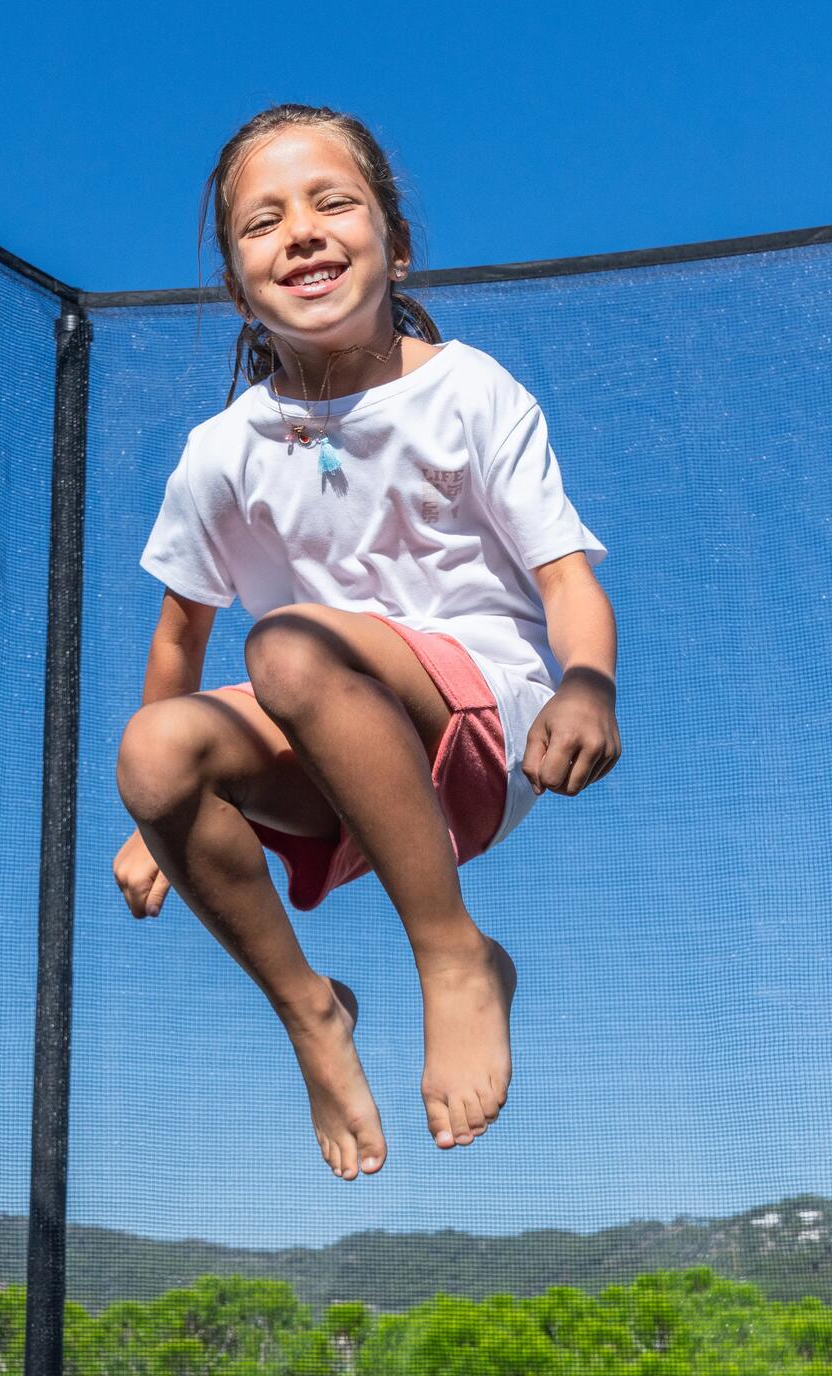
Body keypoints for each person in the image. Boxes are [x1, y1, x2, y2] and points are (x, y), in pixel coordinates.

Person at [112, 104, 620, 1182]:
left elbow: (566, 578)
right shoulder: (220, 453)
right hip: (343, 774)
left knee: (287, 646)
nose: (300, 230)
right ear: (237, 282)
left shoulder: (467, 391)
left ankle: (453, 954)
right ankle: (312, 1013)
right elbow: (178, 636)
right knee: (152, 754)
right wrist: (154, 825)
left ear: (396, 244)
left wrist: (587, 682)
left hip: (487, 732)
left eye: (331, 203)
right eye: (263, 222)